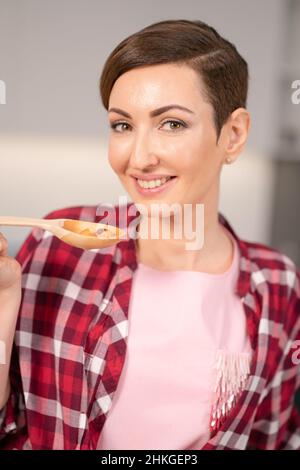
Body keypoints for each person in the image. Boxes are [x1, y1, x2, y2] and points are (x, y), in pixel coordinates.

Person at [0, 18, 300, 450]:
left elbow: (275, 438)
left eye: (172, 124)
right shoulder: (59, 246)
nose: (139, 157)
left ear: (233, 135)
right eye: (122, 125)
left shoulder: (277, 284)